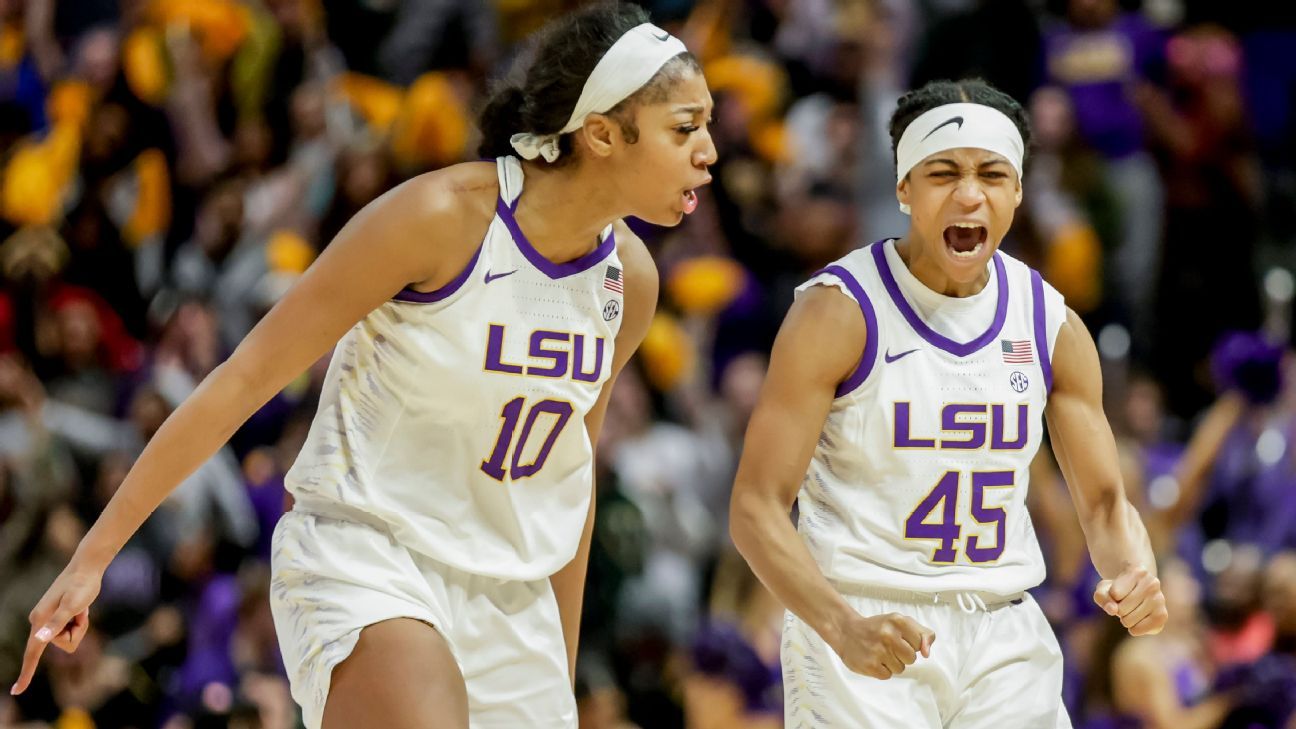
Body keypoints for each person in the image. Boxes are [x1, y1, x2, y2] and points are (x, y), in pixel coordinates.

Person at [11, 3, 717, 728]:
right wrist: (91, 557)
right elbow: (245, 376)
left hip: (509, 594)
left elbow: (569, 479)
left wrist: (554, 673)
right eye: (685, 127)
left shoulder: (628, 281)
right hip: (369, 553)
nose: (709, 151)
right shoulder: (440, 219)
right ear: (600, 132)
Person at [729, 78, 1166, 727]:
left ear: (1016, 191)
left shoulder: (1050, 323)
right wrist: (840, 625)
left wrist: (1134, 567)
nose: (969, 194)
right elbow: (755, 507)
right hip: (868, 621)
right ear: (904, 187)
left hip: (1005, 632)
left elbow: (1104, 502)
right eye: (943, 172)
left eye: (992, 173)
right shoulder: (839, 312)